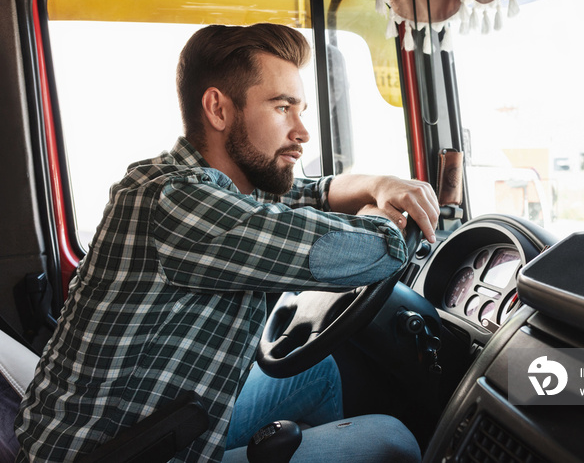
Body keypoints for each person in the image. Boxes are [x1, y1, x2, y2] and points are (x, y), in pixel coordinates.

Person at [15, 23, 439, 462]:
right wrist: (389, 216)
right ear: (218, 109)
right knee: (391, 440)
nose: (302, 132)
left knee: (319, 373)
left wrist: (382, 184)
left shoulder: (209, 185)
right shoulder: (178, 203)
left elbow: (314, 192)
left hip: (159, 423)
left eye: (301, 110)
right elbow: (372, 253)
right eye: (282, 108)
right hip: (125, 451)